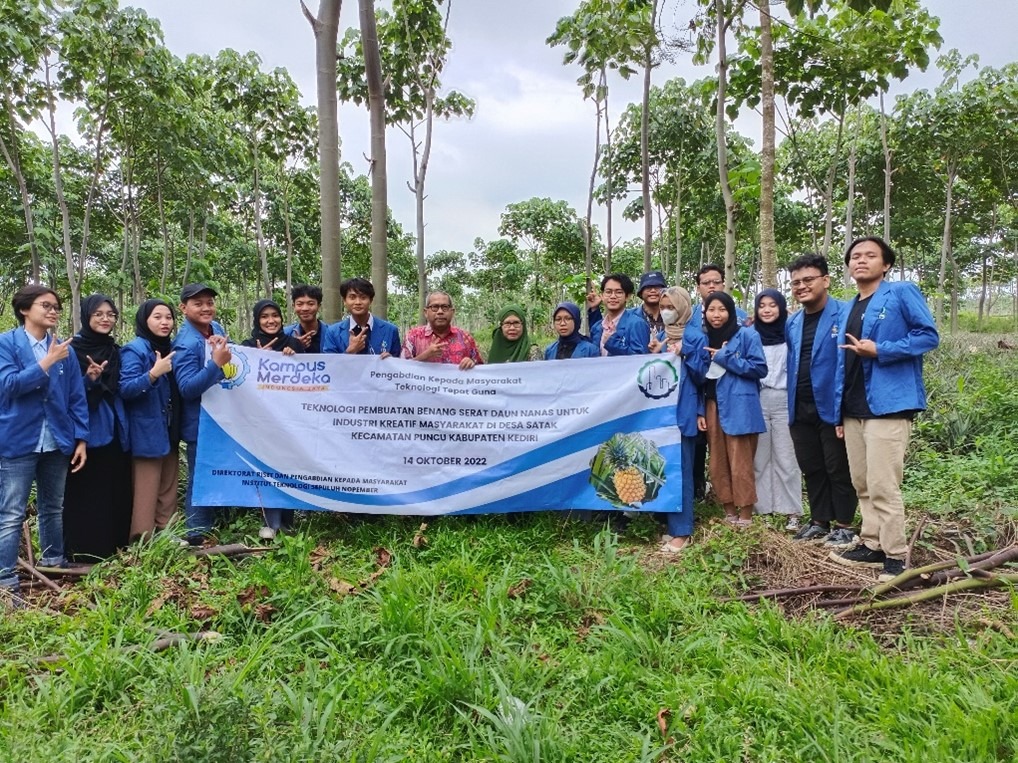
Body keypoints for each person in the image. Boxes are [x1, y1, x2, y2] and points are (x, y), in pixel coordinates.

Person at [831, 236, 939, 581]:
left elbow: (928, 336)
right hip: (854, 406)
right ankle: (872, 543)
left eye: (870, 256)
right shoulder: (849, 306)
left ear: (886, 264)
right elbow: (842, 363)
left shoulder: (901, 292)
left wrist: (882, 349)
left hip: (889, 405)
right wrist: (838, 412)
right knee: (862, 482)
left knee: (883, 484)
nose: (860, 261)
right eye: (855, 256)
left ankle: (896, 555)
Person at [0, 285, 88, 603]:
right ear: (25, 309)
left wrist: (81, 439)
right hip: (18, 441)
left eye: (56, 307)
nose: (53, 311)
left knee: (53, 508)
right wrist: (46, 363)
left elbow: (76, 397)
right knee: (11, 513)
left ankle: (53, 564)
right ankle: (6, 581)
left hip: (57, 440)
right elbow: (8, 386)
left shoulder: (64, 348)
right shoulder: (7, 344)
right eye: (46, 305)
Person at [785, 254, 858, 547]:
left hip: (832, 405)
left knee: (837, 466)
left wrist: (844, 410)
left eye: (808, 280)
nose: (801, 286)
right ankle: (819, 520)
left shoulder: (844, 313)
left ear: (825, 281)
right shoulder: (793, 322)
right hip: (800, 405)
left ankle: (845, 524)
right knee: (811, 465)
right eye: (795, 283)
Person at [63, 294, 132, 562]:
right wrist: (89, 379)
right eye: (99, 314)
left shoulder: (115, 351)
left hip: (115, 429)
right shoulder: (72, 349)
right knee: (85, 492)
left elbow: (119, 388)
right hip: (84, 432)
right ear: (86, 316)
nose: (105, 319)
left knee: (114, 488)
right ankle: (84, 552)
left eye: (110, 314)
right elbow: (66, 394)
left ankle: (114, 547)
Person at [694, 291, 767, 527]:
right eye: (711, 309)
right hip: (712, 405)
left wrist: (726, 357)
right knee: (717, 461)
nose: (717, 315)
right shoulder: (702, 338)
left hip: (740, 406)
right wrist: (699, 410)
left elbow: (759, 369)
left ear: (731, 312)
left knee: (741, 461)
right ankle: (728, 511)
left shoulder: (746, 335)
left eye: (722, 309)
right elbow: (698, 378)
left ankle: (745, 515)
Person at [173, 283, 232, 545]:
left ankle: (214, 528)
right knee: (201, 479)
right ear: (183, 308)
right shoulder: (185, 343)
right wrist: (215, 364)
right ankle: (196, 535)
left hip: (221, 419)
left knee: (217, 475)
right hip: (200, 424)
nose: (206, 308)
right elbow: (186, 388)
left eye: (210, 302)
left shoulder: (216, 328)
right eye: (198, 304)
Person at [684, 264, 747, 501]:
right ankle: (699, 487)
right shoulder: (688, 318)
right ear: (698, 287)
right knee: (700, 441)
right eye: (706, 283)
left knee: (733, 444)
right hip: (699, 387)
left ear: (723, 283)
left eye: (716, 282)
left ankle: (737, 494)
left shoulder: (740, 317)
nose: (711, 286)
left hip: (733, 390)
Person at [120, 299, 182, 543]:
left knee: (168, 481)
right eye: (157, 317)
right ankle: (142, 538)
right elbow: (125, 388)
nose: (165, 322)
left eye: (168, 317)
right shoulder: (135, 349)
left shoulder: (170, 347)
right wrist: (153, 374)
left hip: (168, 425)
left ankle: (167, 532)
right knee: (147, 485)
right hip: (146, 427)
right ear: (145, 320)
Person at [649, 286, 702, 552]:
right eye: (663, 307)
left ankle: (683, 531)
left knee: (682, 471)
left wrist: (686, 352)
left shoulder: (694, 335)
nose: (667, 311)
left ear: (682, 307)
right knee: (665, 469)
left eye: (671, 306)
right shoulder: (660, 335)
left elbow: (705, 374)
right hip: (662, 414)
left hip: (684, 410)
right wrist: (655, 353)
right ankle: (669, 526)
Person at [751, 289, 803, 528]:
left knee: (786, 457)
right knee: (759, 458)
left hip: (784, 400)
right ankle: (763, 510)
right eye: (762, 306)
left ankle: (792, 511)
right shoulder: (750, 335)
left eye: (773, 305)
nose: (767, 310)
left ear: (782, 308)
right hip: (757, 399)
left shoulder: (791, 334)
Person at [401, 291, 483, 369]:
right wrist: (425, 355)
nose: (440, 312)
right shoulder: (413, 336)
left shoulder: (465, 338)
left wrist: (472, 362)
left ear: (452, 312)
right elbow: (400, 369)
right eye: (435, 307)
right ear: (426, 312)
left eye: (445, 307)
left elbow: (481, 370)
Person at [321, 278, 400, 356]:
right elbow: (329, 365)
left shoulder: (391, 330)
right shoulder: (332, 332)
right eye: (352, 297)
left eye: (363, 297)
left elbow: (399, 364)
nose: (358, 302)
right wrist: (350, 352)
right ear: (344, 301)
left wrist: (391, 360)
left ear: (371, 300)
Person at [586, 274, 651, 356]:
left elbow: (640, 358)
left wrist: (612, 343)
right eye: (608, 292)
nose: (613, 296)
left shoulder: (637, 324)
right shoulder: (597, 327)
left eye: (619, 292)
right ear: (602, 295)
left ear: (627, 297)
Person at [284, 284, 328, 353]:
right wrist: (296, 346)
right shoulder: (285, 334)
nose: (305, 309)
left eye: (310, 304)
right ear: (294, 306)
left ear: (319, 306)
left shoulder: (332, 334)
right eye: (299, 304)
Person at [635, 270, 667, 335]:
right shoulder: (630, 316)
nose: (653, 290)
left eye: (657, 287)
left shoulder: (674, 316)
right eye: (648, 287)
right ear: (641, 293)